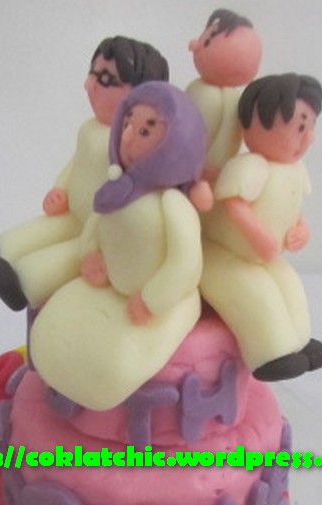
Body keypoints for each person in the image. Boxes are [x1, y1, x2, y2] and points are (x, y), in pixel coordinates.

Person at [30, 82, 207, 410]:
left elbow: (186, 263)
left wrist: (153, 299)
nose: (127, 136)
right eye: (127, 124)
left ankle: (91, 400)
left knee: (112, 362)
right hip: (107, 287)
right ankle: (56, 387)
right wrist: (91, 254)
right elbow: (95, 225)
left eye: (145, 130)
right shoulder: (116, 189)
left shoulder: (172, 204)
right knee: (52, 330)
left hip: (160, 303)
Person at [0, 37, 169, 311]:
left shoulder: (130, 146)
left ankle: (23, 284)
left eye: (105, 79)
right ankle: (1, 249)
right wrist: (60, 188)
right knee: (43, 227)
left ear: (142, 96)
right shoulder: (89, 128)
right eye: (92, 74)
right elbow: (76, 163)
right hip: (73, 210)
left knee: (66, 257)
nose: (88, 85)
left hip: (97, 228)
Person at [200, 73, 322, 380]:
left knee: (289, 284)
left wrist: (301, 230)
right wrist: (259, 235)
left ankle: (300, 340)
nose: (308, 138)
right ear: (260, 120)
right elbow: (235, 204)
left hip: (265, 258)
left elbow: (293, 206)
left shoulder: (295, 170)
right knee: (256, 295)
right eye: (300, 127)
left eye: (311, 127)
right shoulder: (250, 166)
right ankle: (269, 353)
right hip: (226, 255)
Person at [187, 8, 262, 182]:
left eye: (207, 42)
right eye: (203, 38)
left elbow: (224, 140)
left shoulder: (226, 100)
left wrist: (210, 166)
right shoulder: (197, 87)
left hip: (206, 172)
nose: (195, 45)